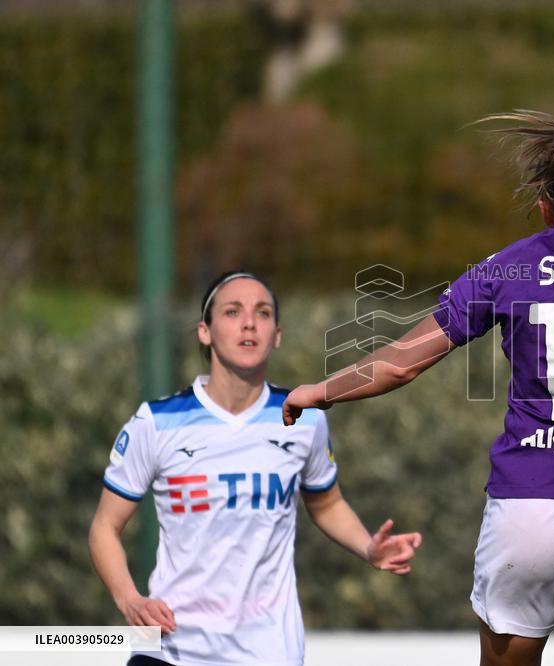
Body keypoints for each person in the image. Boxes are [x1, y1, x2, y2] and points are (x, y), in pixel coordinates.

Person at [284, 111, 554, 666]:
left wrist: (321, 389)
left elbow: (401, 363)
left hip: (526, 505)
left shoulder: (510, 266)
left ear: (544, 207)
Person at [89, 270, 422, 666]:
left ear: (277, 335)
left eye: (262, 313)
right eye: (232, 311)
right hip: (172, 650)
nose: (249, 322)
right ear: (204, 331)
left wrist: (368, 547)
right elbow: (104, 528)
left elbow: (327, 504)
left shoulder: (302, 417)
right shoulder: (156, 422)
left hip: (269, 652)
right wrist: (131, 602)